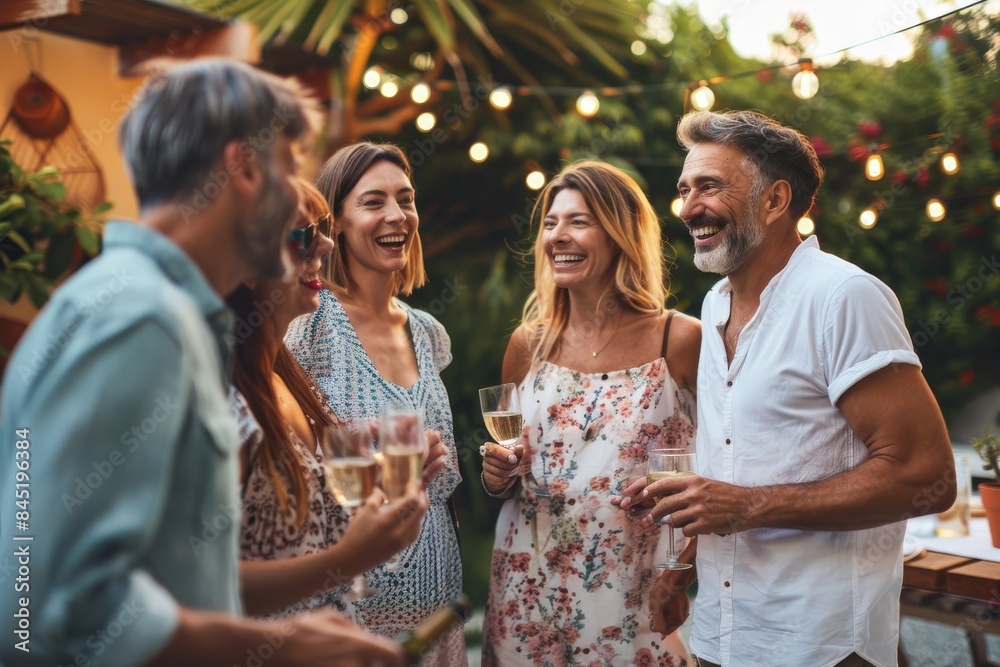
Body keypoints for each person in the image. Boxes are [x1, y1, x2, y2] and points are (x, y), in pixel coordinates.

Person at [0, 60, 403, 667]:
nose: (301, 202)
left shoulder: (161, 310)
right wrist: (279, 647)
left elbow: (159, 574)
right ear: (242, 166)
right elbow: (46, 604)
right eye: (291, 167)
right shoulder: (144, 318)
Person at [625, 110, 956, 667]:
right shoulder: (715, 304)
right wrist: (681, 567)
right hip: (720, 635)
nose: (688, 208)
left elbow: (928, 475)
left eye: (709, 186)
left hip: (819, 643)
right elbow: (730, 462)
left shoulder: (844, 296)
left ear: (776, 201)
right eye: (684, 190)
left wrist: (748, 507)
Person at [479, 160, 700, 666]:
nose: (559, 236)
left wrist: (680, 570)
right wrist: (496, 473)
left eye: (579, 221)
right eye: (551, 223)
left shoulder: (681, 340)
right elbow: (508, 473)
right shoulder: (527, 344)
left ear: (620, 233)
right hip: (524, 593)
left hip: (631, 595)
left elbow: (716, 472)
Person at [228, 178, 446, 618]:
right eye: (304, 236)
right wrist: (347, 562)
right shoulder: (226, 398)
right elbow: (202, 583)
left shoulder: (281, 372)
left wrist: (379, 483)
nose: (326, 245)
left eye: (323, 229)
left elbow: (302, 528)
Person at [284, 142, 466, 664]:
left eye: (405, 199)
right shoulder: (309, 324)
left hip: (436, 614)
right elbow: (286, 463)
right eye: (372, 202)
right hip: (348, 619)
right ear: (334, 223)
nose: (396, 215)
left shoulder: (427, 331)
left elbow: (440, 481)